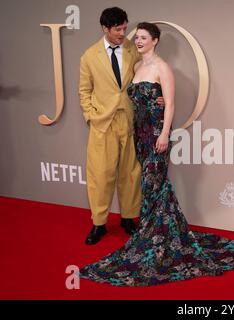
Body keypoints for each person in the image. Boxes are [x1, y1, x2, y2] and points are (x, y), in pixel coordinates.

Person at [79, 22, 234, 286]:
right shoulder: (136, 67)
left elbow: (170, 104)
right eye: (136, 37)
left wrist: (163, 134)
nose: (137, 41)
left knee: (153, 183)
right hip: (139, 134)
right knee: (152, 187)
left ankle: (156, 237)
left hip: (156, 135)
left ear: (155, 40)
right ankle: (156, 233)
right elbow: (136, 100)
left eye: (143, 37)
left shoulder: (162, 67)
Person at [79, 7, 163, 245]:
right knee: (100, 175)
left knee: (130, 174)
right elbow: (84, 90)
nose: (123, 33)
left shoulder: (131, 49)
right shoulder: (89, 56)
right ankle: (99, 223)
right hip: (102, 124)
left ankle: (128, 218)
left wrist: (160, 94)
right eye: (118, 29)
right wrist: (90, 115)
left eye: (125, 28)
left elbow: (148, 72)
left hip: (130, 120)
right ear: (105, 28)